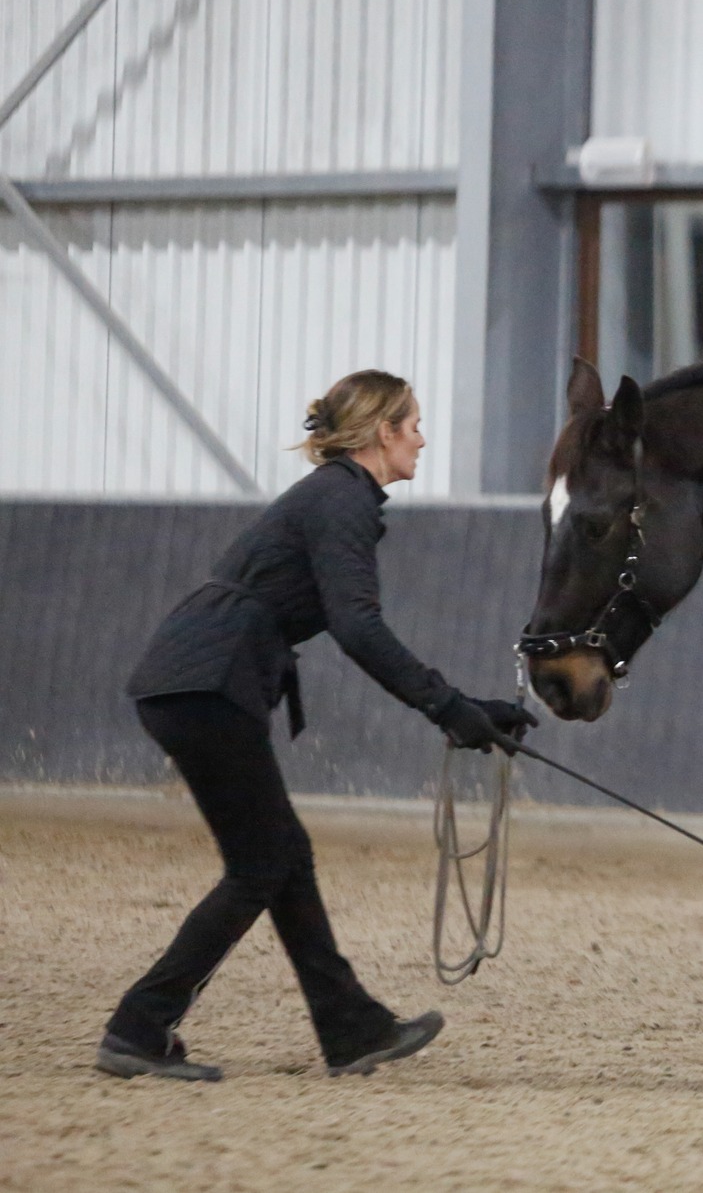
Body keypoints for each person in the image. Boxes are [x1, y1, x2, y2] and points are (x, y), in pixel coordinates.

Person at [96, 370, 536, 1082]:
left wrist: (469, 706)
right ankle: (139, 1026)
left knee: (280, 858)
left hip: (199, 678)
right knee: (262, 864)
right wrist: (448, 706)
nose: (422, 436)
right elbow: (357, 627)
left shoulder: (335, 496)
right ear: (382, 431)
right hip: (207, 682)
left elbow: (352, 625)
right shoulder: (343, 499)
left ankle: (351, 1026)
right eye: (413, 423)